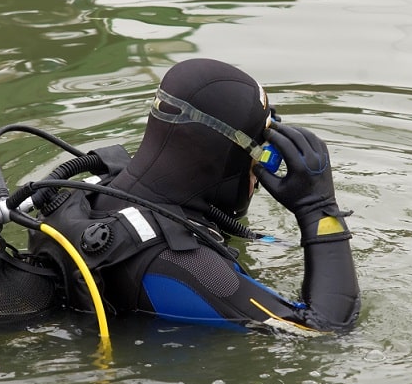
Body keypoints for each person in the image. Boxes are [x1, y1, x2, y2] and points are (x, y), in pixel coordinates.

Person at [28, 58, 360, 334]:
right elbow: (324, 330)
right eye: (262, 156)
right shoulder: (188, 264)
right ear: (226, 157)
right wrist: (318, 210)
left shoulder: (87, 192)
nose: (259, 179)